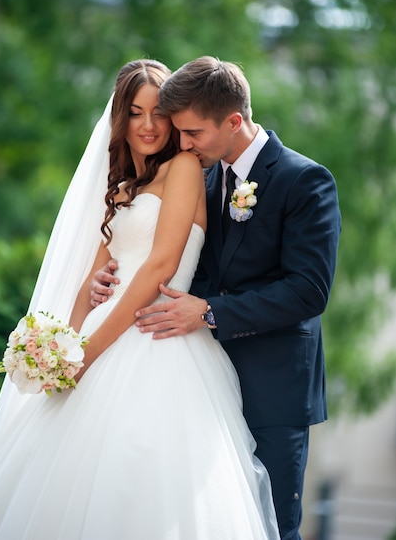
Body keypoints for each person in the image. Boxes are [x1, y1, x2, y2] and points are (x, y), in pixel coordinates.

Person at [0, 59, 280, 540]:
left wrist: (88, 353)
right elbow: (93, 279)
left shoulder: (183, 168)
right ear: (120, 117)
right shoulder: (122, 189)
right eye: (135, 112)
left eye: (158, 113)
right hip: (101, 338)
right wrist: (63, 347)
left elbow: (161, 267)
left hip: (153, 340)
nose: (147, 125)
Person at [91, 56, 341, 540]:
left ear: (233, 121)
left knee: (267, 525)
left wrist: (208, 311)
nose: (182, 143)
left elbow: (309, 290)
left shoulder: (304, 180)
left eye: (193, 133)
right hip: (195, 379)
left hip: (272, 387)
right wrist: (113, 275)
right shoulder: (201, 178)